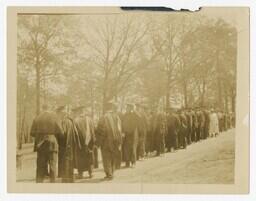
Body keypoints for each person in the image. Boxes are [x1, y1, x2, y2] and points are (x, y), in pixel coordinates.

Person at [30, 104, 63, 183]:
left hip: (41, 144)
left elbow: (32, 133)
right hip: (52, 143)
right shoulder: (55, 117)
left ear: (42, 108)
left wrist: (40, 135)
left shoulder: (37, 118)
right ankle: (53, 184)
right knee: (52, 165)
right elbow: (61, 132)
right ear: (49, 108)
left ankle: (39, 183)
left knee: (40, 166)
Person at [96, 102, 123, 180]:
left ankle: (109, 174)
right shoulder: (117, 117)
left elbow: (101, 131)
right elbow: (119, 130)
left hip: (106, 142)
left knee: (106, 158)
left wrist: (98, 142)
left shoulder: (103, 117)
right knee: (112, 157)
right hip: (115, 141)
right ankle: (112, 173)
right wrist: (119, 141)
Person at [57, 105, 81, 183]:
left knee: (65, 163)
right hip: (71, 144)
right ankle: (71, 179)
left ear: (62, 113)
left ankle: (66, 180)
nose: (59, 115)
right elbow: (76, 134)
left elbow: (63, 134)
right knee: (70, 162)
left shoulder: (64, 121)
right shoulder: (71, 121)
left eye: (59, 113)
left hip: (65, 145)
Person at [73, 106, 96, 179]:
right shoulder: (90, 119)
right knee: (89, 157)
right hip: (89, 142)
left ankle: (80, 174)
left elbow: (74, 133)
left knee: (80, 158)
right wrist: (93, 141)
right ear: (83, 111)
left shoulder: (75, 121)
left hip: (80, 143)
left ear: (78, 112)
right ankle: (91, 173)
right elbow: (93, 131)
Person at [122, 103, 140, 167]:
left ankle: (133, 162)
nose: (127, 109)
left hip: (133, 134)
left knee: (132, 148)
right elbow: (122, 123)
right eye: (126, 108)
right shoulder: (125, 115)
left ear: (131, 108)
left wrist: (134, 111)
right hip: (126, 134)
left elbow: (138, 117)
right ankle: (127, 162)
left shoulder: (134, 115)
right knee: (126, 149)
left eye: (128, 108)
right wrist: (123, 131)